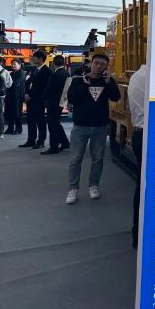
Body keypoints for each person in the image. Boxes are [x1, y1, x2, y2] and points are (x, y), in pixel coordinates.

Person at [65, 54, 120, 204]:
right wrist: (85, 86)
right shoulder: (78, 80)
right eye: (96, 63)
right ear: (91, 64)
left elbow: (116, 97)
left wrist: (108, 83)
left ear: (106, 66)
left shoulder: (107, 81)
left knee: (97, 158)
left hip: (100, 127)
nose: (98, 66)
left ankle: (94, 186)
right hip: (80, 127)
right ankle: (73, 189)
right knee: (75, 159)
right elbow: (71, 98)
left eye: (102, 64)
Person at [128, 64, 147, 248]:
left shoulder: (137, 75)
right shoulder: (150, 77)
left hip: (140, 134)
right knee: (145, 187)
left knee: (143, 184)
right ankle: (140, 233)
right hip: (148, 136)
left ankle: (138, 232)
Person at [20, 50, 52, 149]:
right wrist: (26, 93)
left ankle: (41, 141)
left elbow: (43, 87)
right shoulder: (35, 70)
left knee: (40, 121)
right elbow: (28, 82)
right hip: (30, 100)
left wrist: (31, 95)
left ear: (41, 59)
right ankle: (31, 140)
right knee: (31, 121)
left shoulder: (47, 71)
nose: (32, 59)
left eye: (34, 57)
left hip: (39, 100)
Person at [41, 55, 71, 155]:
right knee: (56, 123)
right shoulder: (67, 74)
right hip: (61, 102)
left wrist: (44, 97)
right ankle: (65, 143)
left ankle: (54, 147)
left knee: (52, 125)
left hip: (53, 102)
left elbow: (49, 89)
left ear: (53, 63)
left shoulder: (55, 75)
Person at [4, 58, 25, 135]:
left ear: (19, 65)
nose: (13, 65)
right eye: (12, 64)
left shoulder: (22, 73)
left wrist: (7, 84)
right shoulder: (12, 73)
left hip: (18, 96)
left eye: (14, 64)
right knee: (10, 112)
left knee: (17, 112)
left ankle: (18, 129)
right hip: (10, 95)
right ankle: (10, 128)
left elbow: (15, 83)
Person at [0, 55, 13, 138]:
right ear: (1, 62)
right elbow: (9, 84)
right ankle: (0, 133)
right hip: (0, 95)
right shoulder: (4, 71)